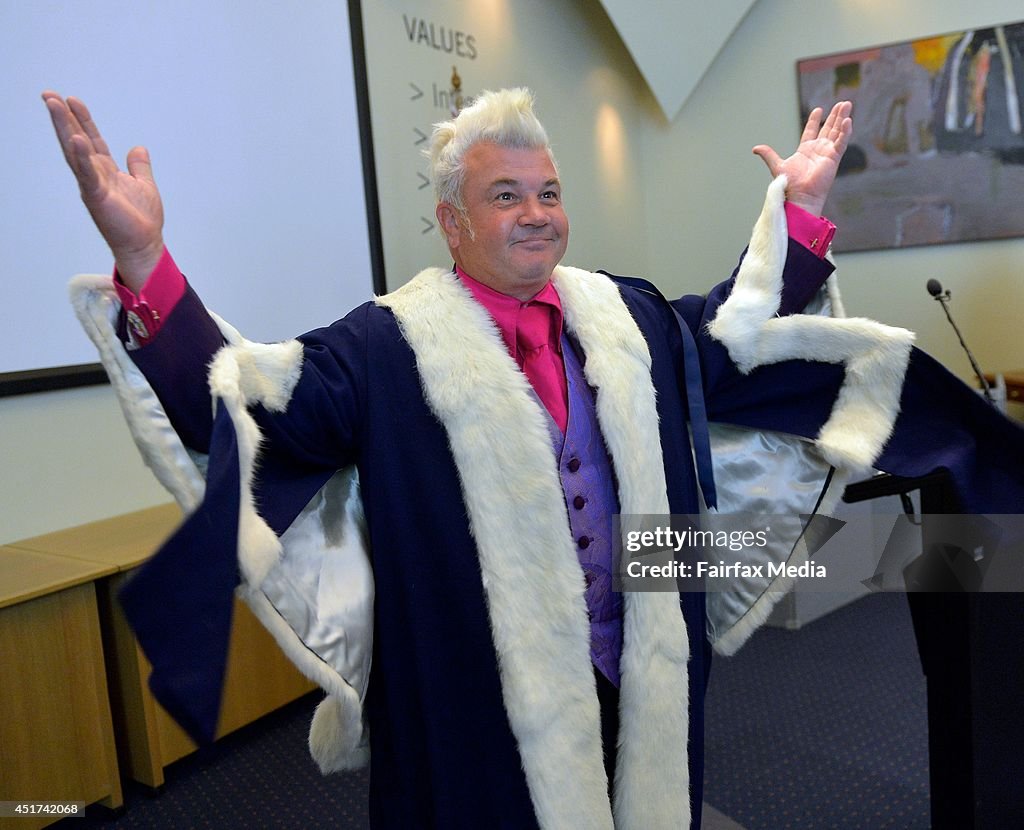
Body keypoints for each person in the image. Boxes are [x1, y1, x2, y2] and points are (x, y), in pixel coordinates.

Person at [44, 87, 1024, 829]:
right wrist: (148, 267)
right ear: (453, 222)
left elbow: (736, 341)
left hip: (633, 653)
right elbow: (255, 408)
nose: (536, 212)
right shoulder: (383, 346)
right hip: (474, 680)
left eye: (548, 192)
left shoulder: (626, 314)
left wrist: (799, 215)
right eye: (504, 194)